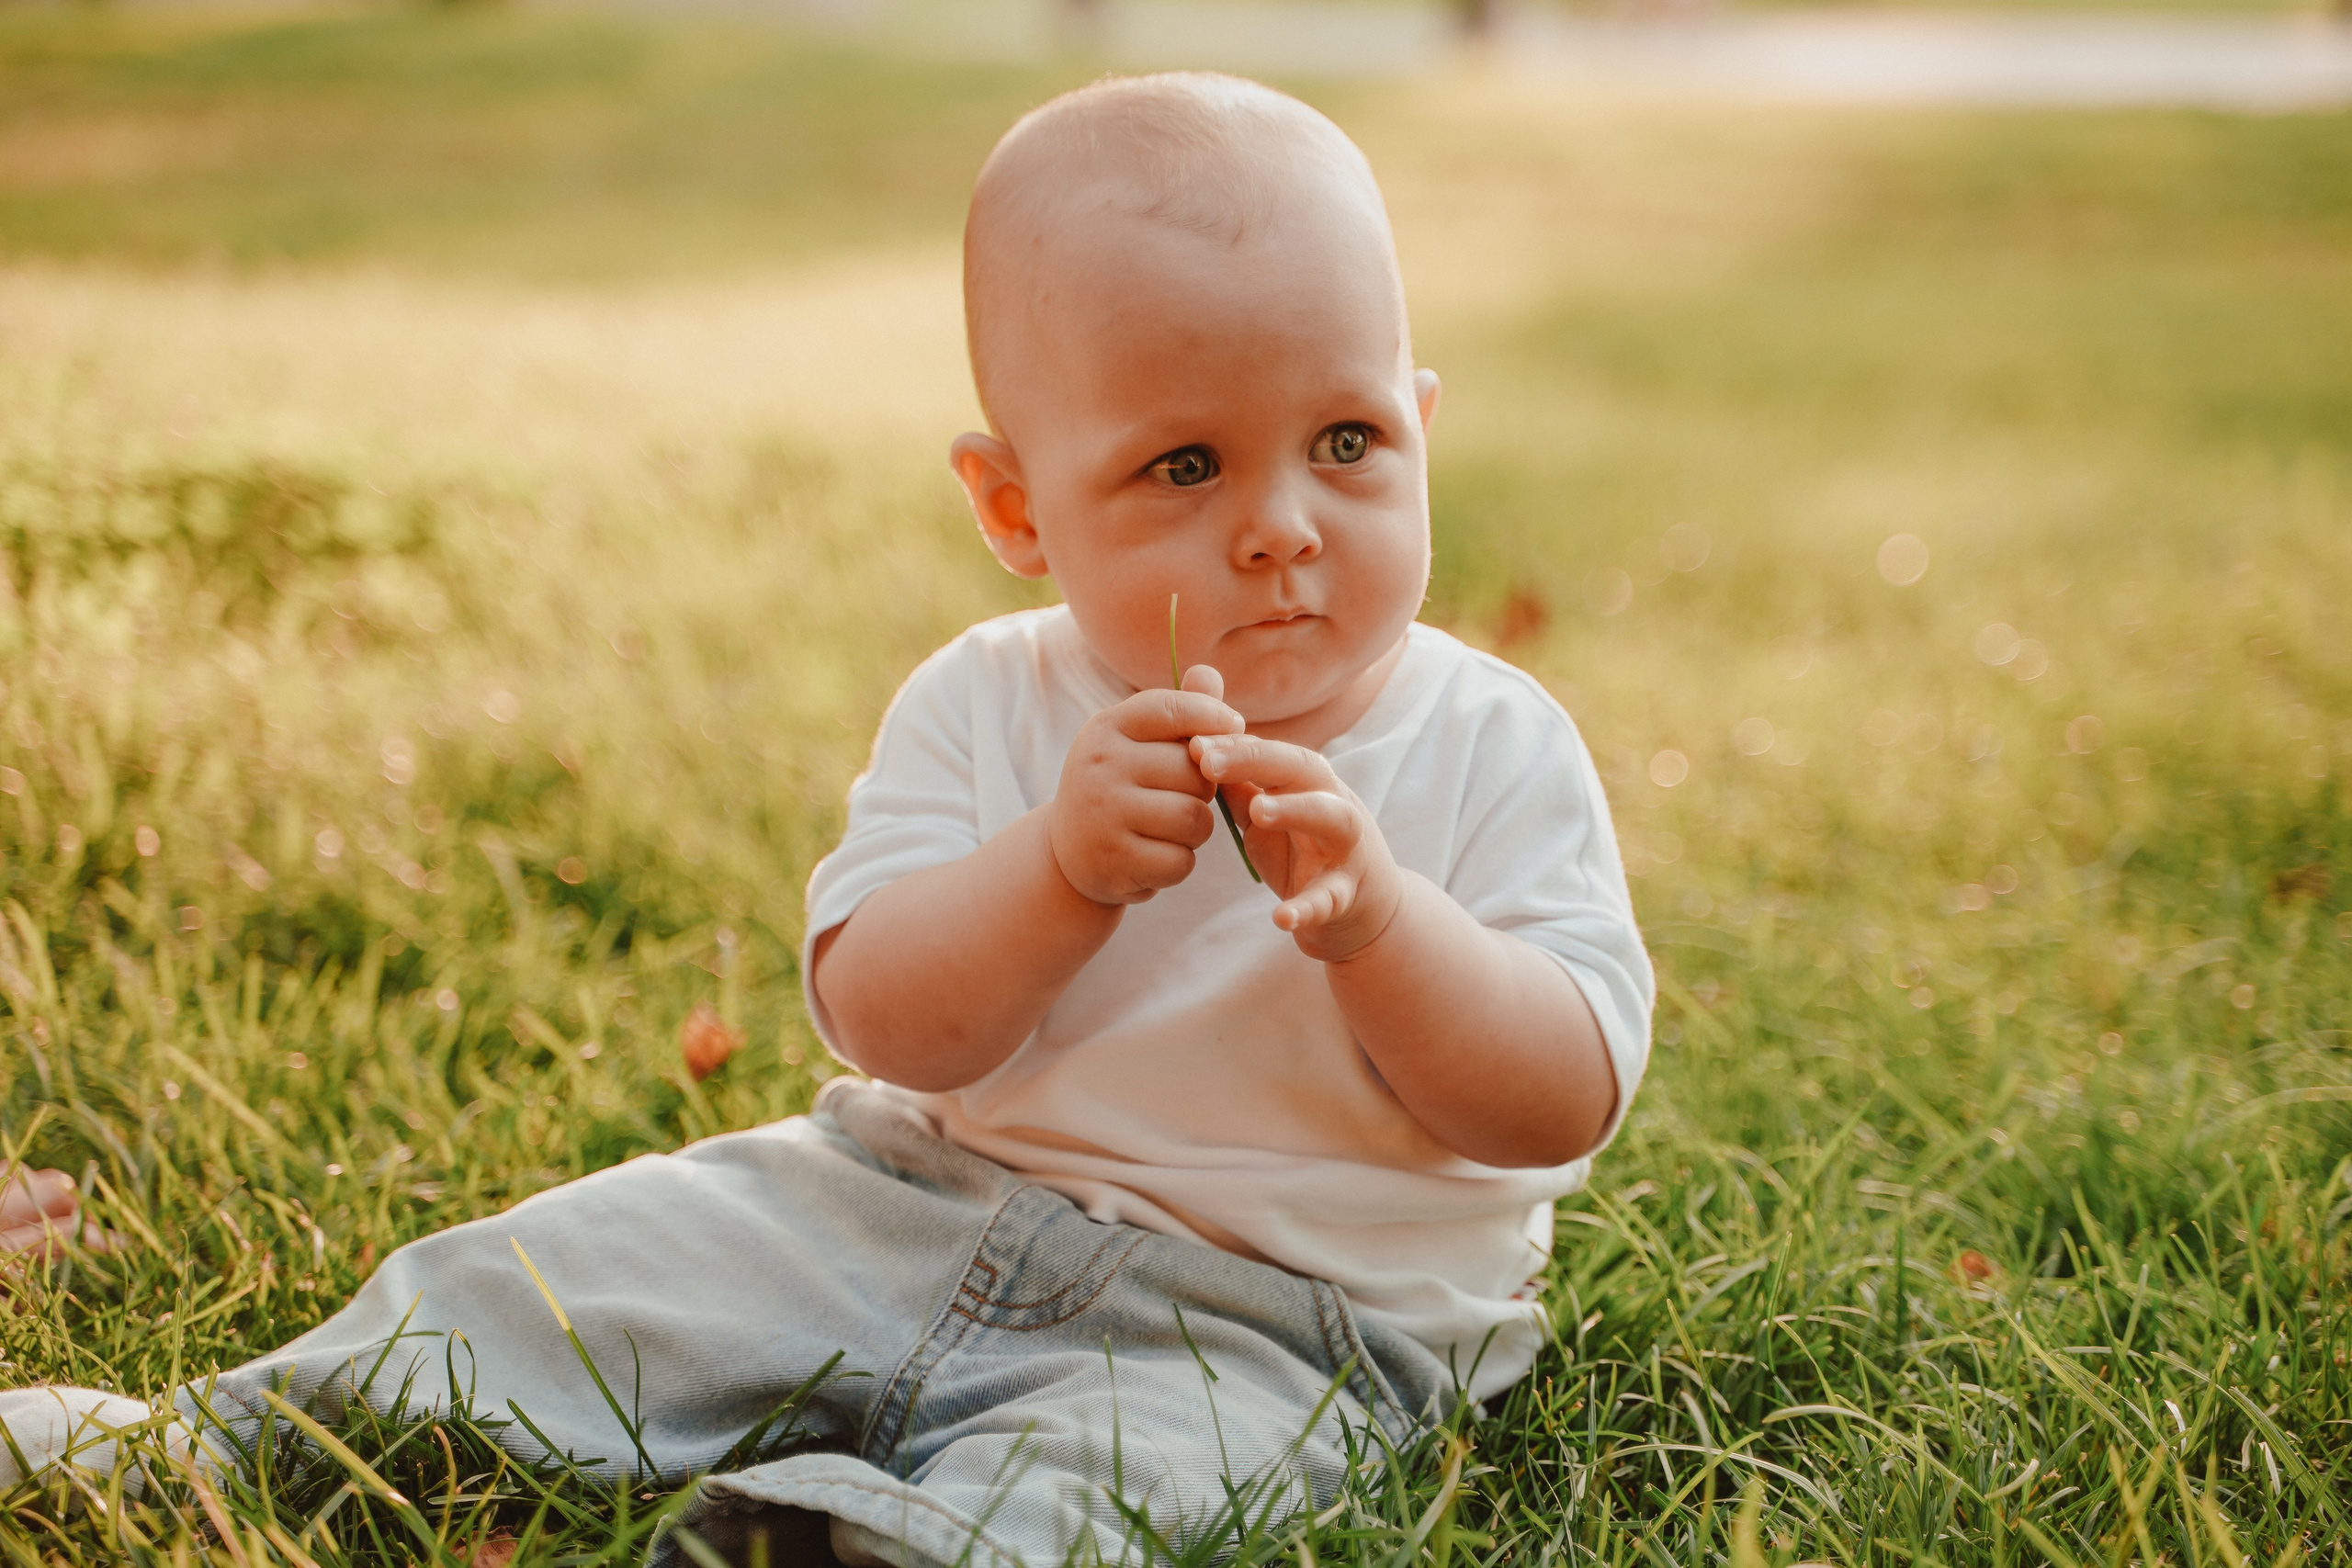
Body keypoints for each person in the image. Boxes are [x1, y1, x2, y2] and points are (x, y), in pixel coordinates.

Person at [0, 73, 1652, 1567]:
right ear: (1015, 506)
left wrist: (1382, 923)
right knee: (571, 1273)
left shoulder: (1491, 741)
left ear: (1422, 426)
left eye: (1346, 443)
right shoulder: (986, 704)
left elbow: (1556, 1098)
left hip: (1291, 1319)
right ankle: (196, 1445)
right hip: (895, 1202)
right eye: (1185, 467)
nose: (1283, 529)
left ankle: (862, 1546)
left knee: (1130, 1472)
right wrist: (1057, 872)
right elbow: (888, 1019)